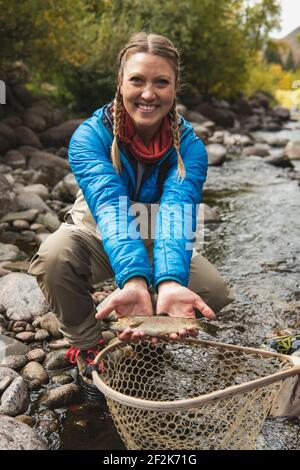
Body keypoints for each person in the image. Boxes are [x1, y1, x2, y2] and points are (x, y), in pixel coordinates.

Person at [28, 32, 233, 387]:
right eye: (137, 80)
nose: (149, 93)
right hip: (96, 232)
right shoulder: (89, 137)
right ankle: (89, 345)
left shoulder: (190, 147)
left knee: (212, 291)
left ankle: (147, 333)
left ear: (175, 87)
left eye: (161, 82)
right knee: (54, 257)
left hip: (156, 233)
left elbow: (176, 213)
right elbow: (110, 208)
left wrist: (169, 282)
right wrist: (135, 279)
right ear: (120, 81)